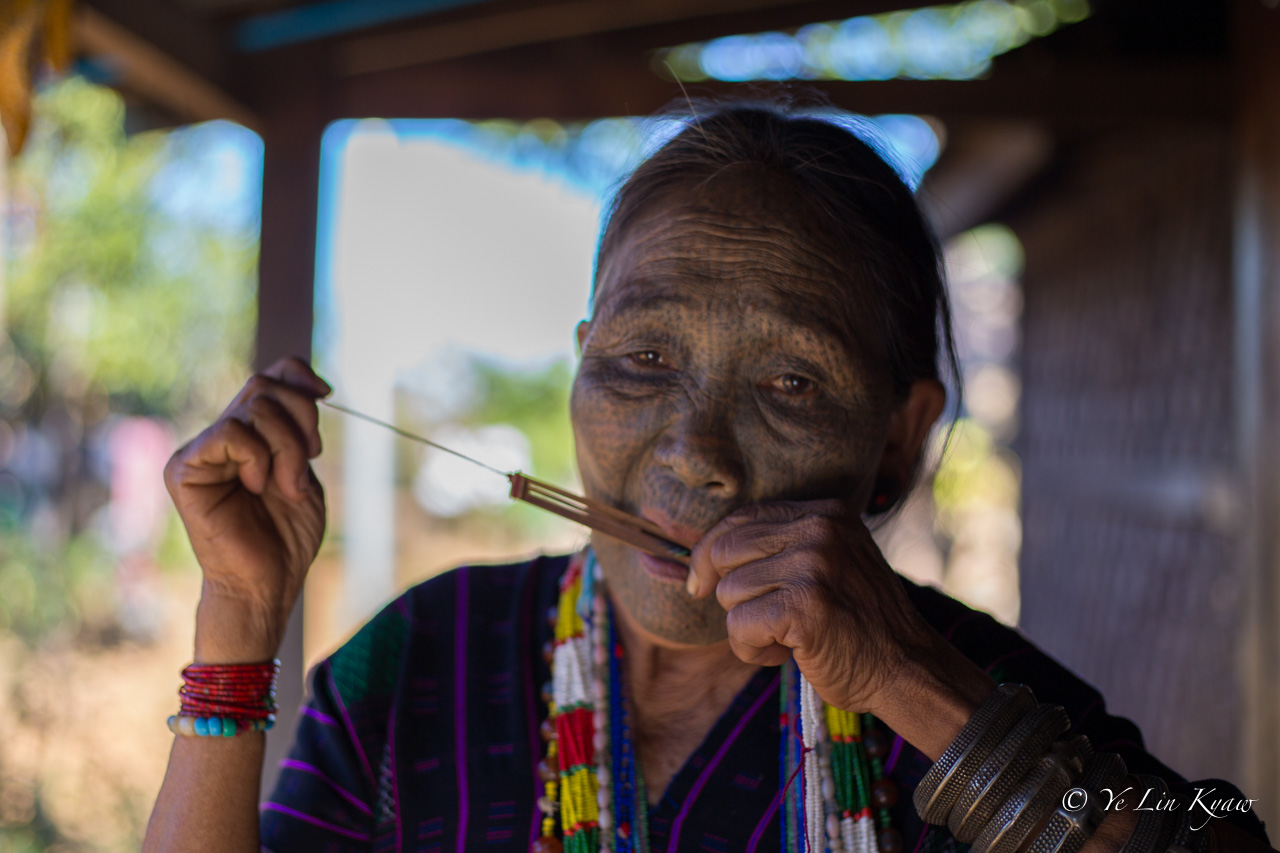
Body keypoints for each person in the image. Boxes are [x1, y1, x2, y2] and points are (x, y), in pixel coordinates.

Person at [143, 103, 1272, 853]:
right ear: (582, 356)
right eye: (640, 361)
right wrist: (236, 623)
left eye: (789, 381)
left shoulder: (968, 695)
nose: (693, 453)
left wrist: (918, 691)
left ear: (898, 437)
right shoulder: (420, 665)